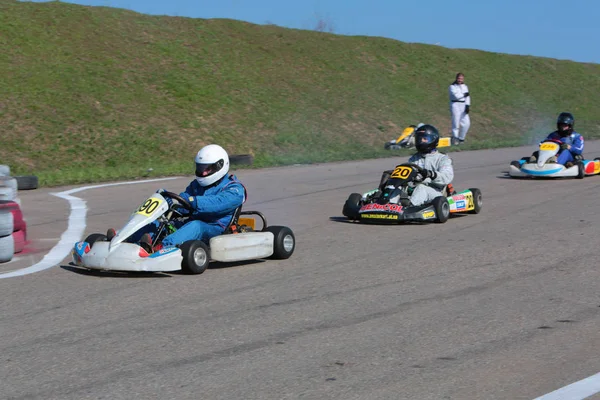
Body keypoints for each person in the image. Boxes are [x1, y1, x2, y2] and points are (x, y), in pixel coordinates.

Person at [110, 144, 246, 253]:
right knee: (159, 223)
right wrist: (169, 201)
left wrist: (193, 202)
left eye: (207, 169)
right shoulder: (196, 185)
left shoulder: (234, 189)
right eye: (200, 168)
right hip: (190, 222)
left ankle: (160, 248)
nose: (203, 172)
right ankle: (125, 238)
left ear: (219, 166)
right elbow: (184, 199)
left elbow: (217, 204)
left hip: (215, 228)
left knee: (196, 226)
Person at [406, 124, 455, 206]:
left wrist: (431, 174)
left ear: (433, 140)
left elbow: (447, 177)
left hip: (436, 192)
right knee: (395, 187)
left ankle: (408, 208)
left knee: (421, 188)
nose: (421, 141)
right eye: (419, 139)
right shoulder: (414, 158)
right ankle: (384, 206)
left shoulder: (442, 158)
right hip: (415, 189)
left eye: (424, 139)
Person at [448, 72, 471, 145]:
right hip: (455, 104)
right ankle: (455, 139)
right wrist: (464, 95)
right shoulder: (452, 86)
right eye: (459, 78)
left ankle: (461, 138)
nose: (460, 80)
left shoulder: (465, 86)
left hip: (463, 104)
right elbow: (456, 96)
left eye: (461, 78)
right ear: (456, 78)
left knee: (466, 123)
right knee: (456, 123)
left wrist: (467, 105)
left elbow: (468, 97)